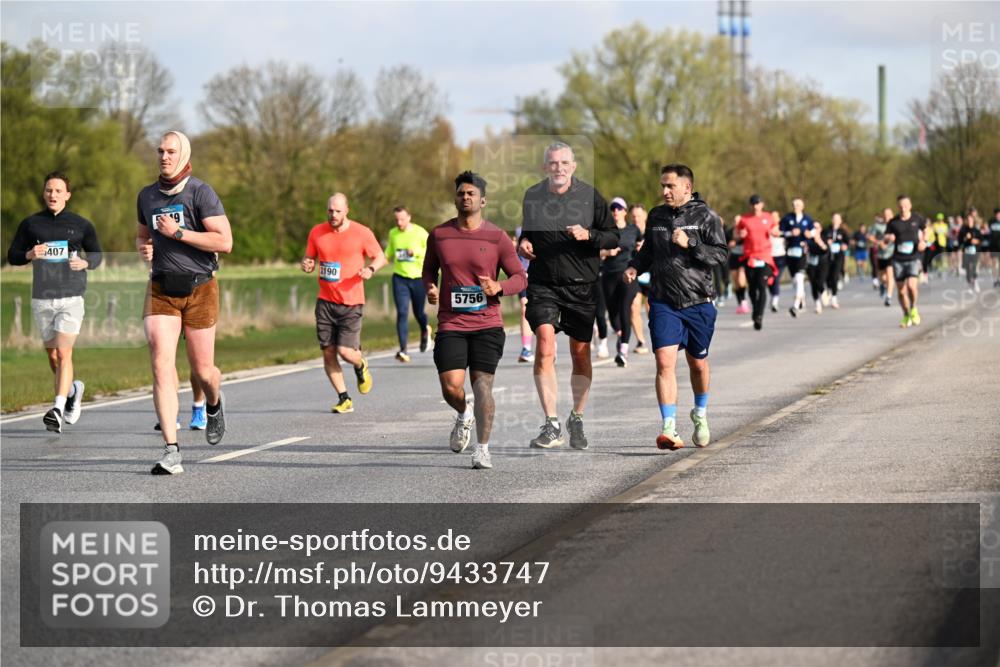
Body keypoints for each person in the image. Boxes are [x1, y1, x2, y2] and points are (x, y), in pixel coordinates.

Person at [137, 131, 232, 475]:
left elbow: (225, 241)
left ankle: (214, 401)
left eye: (170, 151)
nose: (164, 156)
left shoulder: (200, 192)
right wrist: (145, 248)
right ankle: (171, 450)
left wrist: (179, 233)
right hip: (161, 288)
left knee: (203, 371)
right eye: (160, 151)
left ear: (183, 153)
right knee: (161, 363)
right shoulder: (147, 196)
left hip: (200, 289)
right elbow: (143, 235)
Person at [518, 141, 619, 450]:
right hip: (543, 284)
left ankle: (576, 416)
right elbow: (527, 234)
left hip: (581, 285)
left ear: (573, 167)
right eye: (553, 163)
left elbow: (613, 235)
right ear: (544, 167)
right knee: (545, 345)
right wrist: (523, 243)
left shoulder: (590, 197)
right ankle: (551, 424)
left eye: (564, 163)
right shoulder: (533, 196)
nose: (558, 168)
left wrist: (590, 236)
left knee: (580, 353)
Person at [423, 171, 527, 469]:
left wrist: (499, 287)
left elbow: (520, 277)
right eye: (460, 193)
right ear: (455, 198)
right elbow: (429, 270)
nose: (465, 197)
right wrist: (430, 287)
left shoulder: (496, 237)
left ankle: (482, 448)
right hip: (452, 324)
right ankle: (463, 413)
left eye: (471, 193)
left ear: (483, 200)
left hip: (487, 324)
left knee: (482, 387)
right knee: (451, 387)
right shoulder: (440, 235)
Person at [624, 164, 727, 449]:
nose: (665, 191)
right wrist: (634, 266)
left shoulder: (706, 216)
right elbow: (648, 252)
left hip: (698, 301)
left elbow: (719, 255)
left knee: (697, 363)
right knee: (664, 361)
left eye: (670, 186)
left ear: (686, 188)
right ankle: (669, 427)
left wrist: (691, 242)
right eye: (662, 186)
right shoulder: (656, 216)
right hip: (663, 301)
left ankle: (700, 414)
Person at [7, 171, 103, 433]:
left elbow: (97, 255)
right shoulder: (30, 224)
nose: (53, 195)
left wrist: (84, 262)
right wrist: (29, 253)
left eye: (58, 191)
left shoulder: (82, 225)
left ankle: (58, 408)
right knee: (52, 356)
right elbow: (12, 255)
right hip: (42, 297)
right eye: (49, 190)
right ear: (44, 193)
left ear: (67, 195)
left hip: (72, 296)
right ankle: (72, 390)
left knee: (63, 352)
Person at [301, 193, 387, 413]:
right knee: (328, 352)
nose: (333, 215)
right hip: (325, 302)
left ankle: (360, 364)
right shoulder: (317, 232)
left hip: (352, 302)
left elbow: (380, 257)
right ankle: (344, 398)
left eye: (338, 211)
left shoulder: (362, 232)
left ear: (346, 210)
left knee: (346, 352)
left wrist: (370, 269)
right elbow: (310, 258)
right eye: (330, 210)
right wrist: (308, 264)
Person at [385, 205, 431, 363]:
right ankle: (403, 350)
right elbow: (388, 253)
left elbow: (432, 252)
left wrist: (415, 252)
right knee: (402, 313)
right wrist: (372, 267)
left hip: (418, 278)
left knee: (419, 313)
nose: (399, 222)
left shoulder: (420, 232)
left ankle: (425, 329)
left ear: (409, 217)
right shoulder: (393, 233)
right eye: (396, 219)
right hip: (400, 278)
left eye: (402, 219)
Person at [601, 197, 642, 366]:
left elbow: (642, 246)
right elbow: (594, 252)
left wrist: (641, 249)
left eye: (619, 208)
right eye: (613, 208)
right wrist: (606, 252)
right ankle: (620, 334)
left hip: (628, 274)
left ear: (625, 211)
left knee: (626, 308)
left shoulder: (634, 230)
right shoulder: (605, 230)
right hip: (609, 274)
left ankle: (623, 350)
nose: (616, 211)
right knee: (612, 314)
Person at [735, 194, 779, 330]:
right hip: (750, 258)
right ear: (751, 205)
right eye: (753, 204)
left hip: (765, 257)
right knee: (752, 289)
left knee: (761, 285)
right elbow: (736, 234)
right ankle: (756, 308)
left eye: (758, 203)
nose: (756, 206)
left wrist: (774, 232)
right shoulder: (744, 219)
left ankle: (758, 316)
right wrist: (740, 235)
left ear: (762, 204)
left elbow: (776, 230)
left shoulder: (768, 217)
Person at [882, 195, 926, 328]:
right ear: (898, 207)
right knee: (901, 291)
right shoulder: (893, 222)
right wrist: (889, 238)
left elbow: (925, 230)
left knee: (912, 287)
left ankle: (913, 308)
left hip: (913, 257)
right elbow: (885, 238)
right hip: (898, 259)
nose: (903, 208)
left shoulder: (917, 218)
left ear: (910, 206)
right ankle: (906, 314)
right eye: (900, 206)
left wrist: (924, 241)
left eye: (905, 205)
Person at [779, 198, 813, 317]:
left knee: (799, 278)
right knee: (795, 280)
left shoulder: (807, 219)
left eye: (798, 205)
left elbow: (814, 231)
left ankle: (796, 304)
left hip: (802, 252)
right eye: (794, 205)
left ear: (802, 206)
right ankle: (802, 301)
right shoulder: (787, 218)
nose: (795, 207)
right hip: (790, 252)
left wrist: (809, 234)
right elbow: (780, 232)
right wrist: (790, 233)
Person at [627, 204, 651, 354]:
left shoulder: (653, 231)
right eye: (634, 216)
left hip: (651, 273)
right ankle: (641, 341)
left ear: (645, 216)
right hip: (634, 272)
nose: (636, 219)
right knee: (634, 306)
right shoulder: (628, 232)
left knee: (651, 307)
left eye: (639, 216)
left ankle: (658, 335)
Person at [513, 226, 535, 363]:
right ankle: (526, 348)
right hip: (523, 275)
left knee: (544, 311)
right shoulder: (519, 230)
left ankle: (550, 344)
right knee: (524, 307)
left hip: (540, 276)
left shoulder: (543, 227)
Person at [870, 209, 896, 307]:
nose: (887, 216)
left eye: (889, 214)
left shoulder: (895, 225)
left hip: (892, 253)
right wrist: (879, 242)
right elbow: (870, 236)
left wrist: (895, 238)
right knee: (883, 277)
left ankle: (888, 297)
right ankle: (883, 285)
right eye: (885, 215)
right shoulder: (877, 226)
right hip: (881, 255)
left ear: (892, 215)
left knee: (890, 276)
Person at [824, 213, 850, 309]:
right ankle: (829, 291)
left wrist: (845, 246)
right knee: (827, 277)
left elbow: (847, 242)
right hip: (827, 257)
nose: (835, 221)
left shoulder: (843, 232)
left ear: (840, 221)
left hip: (838, 257)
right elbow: (822, 239)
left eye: (837, 219)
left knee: (835, 276)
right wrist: (827, 242)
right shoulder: (826, 230)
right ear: (832, 220)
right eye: (834, 219)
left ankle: (834, 298)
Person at [805, 218, 830, 314]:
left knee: (820, 281)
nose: (815, 229)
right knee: (813, 284)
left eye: (817, 227)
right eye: (813, 228)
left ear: (820, 228)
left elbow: (826, 250)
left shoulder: (824, 238)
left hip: (822, 263)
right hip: (811, 263)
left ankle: (823, 292)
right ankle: (817, 304)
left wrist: (818, 240)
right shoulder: (808, 240)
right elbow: (805, 250)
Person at [728, 214, 749, 314]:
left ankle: (744, 300)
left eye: (738, 221)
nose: (737, 223)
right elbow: (723, 244)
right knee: (736, 283)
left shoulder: (745, 232)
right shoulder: (730, 232)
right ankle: (740, 303)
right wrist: (729, 245)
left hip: (743, 258)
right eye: (735, 221)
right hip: (733, 258)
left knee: (741, 279)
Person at [957, 215, 983, 293]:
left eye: (970, 220)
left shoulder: (976, 230)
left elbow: (980, 239)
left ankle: (975, 281)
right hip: (966, 251)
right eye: (968, 220)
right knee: (968, 268)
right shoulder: (963, 230)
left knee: (974, 266)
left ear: (973, 221)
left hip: (975, 251)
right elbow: (960, 240)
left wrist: (976, 241)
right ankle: (969, 285)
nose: (969, 221)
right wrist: (965, 238)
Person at [768, 210, 786, 312]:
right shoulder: (767, 228)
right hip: (769, 257)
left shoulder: (783, 228)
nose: (773, 218)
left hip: (781, 257)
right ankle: (773, 295)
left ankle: (775, 300)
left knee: (776, 278)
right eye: (771, 216)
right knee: (769, 280)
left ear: (778, 218)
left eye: (775, 216)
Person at [989, 208, 1000, 288]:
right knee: (994, 263)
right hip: (993, 245)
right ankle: (995, 279)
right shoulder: (991, 222)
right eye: (996, 213)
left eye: (999, 213)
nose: (997, 215)